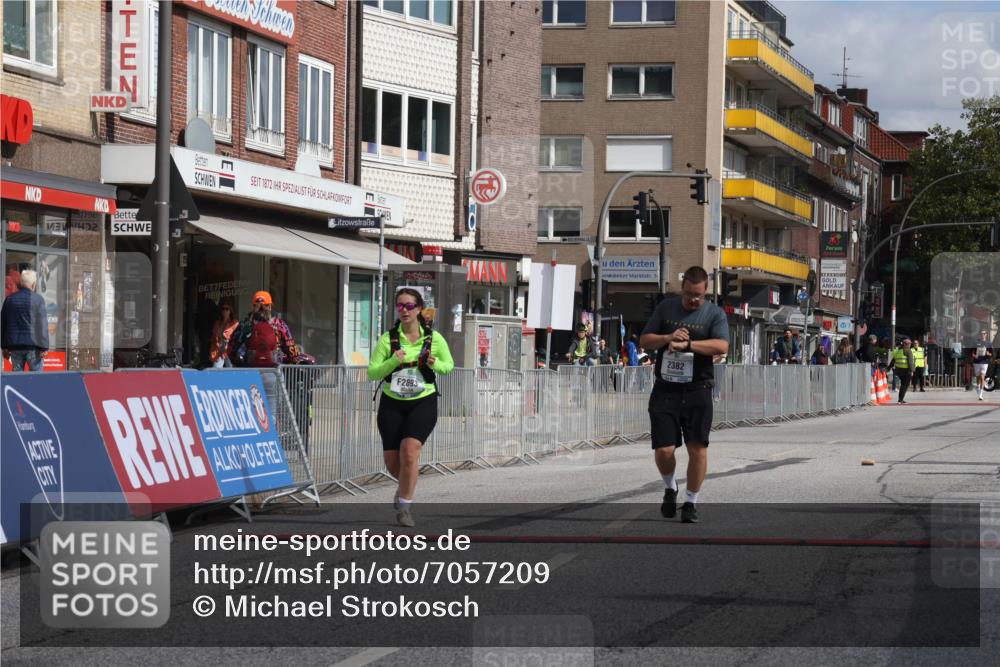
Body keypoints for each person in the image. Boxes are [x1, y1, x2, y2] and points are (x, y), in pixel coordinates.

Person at [640, 266, 729, 524]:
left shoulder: (714, 314)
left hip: (697, 389)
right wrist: (668, 337)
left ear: (706, 291)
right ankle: (671, 488)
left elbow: (722, 345)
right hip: (666, 388)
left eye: (698, 296)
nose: (693, 300)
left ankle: (691, 501)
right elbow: (645, 340)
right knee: (664, 450)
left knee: (697, 449)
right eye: (689, 294)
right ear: (683, 288)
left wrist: (688, 344)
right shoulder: (666, 309)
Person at [368, 288, 454, 527]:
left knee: (410, 452)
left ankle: (404, 508)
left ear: (418, 309)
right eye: (400, 306)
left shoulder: (433, 339)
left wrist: (435, 363)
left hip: (422, 401)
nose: (404, 310)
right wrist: (393, 360)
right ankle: (405, 484)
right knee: (393, 463)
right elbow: (372, 372)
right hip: (392, 403)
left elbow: (449, 366)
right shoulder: (388, 339)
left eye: (409, 306)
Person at [228, 291, 300, 367]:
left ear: (270, 306)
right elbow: (292, 353)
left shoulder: (279, 325)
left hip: (259, 370)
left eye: (264, 306)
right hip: (269, 370)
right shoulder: (279, 324)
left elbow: (232, 349)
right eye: (258, 306)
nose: (261, 309)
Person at [1, 269, 49, 372]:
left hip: (15, 346)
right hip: (34, 347)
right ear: (33, 284)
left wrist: (4, 346)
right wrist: (44, 347)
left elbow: (3, 323)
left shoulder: (10, 299)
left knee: (17, 380)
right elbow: (42, 325)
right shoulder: (38, 299)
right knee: (37, 380)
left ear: (21, 283)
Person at [209, 299, 239, 368]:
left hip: (229, 351)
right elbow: (213, 338)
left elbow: (237, 338)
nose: (224, 311)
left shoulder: (234, 323)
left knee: (231, 372)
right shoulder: (217, 323)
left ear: (230, 311)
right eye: (223, 309)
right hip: (218, 351)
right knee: (215, 371)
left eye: (227, 309)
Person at [888, 338, 915, 404]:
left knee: (903, 384)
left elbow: (893, 361)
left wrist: (888, 368)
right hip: (906, 371)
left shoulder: (897, 351)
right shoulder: (908, 351)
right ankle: (900, 400)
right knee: (905, 385)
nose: (910, 345)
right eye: (909, 344)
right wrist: (912, 371)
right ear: (907, 344)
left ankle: (900, 399)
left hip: (899, 370)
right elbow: (910, 362)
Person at [971, 330, 993, 401]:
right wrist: (974, 356)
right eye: (981, 333)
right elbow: (972, 353)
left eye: (984, 333)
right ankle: (978, 387)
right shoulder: (976, 343)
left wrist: (988, 354)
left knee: (982, 377)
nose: (982, 335)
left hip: (984, 362)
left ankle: (981, 395)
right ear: (979, 335)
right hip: (977, 362)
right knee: (978, 377)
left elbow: (991, 354)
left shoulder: (989, 343)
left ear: (986, 335)